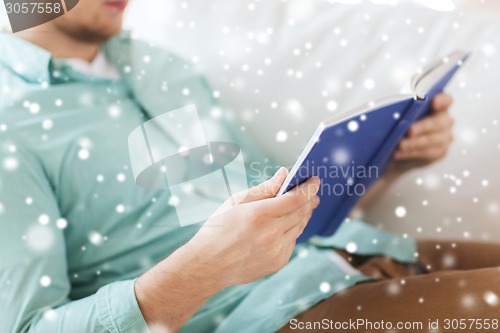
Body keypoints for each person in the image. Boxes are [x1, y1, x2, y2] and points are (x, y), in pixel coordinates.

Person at [1, 1, 497, 333]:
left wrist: (393, 159)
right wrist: (201, 270)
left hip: (347, 257)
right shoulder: (11, 128)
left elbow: (274, 210)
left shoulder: (161, 66)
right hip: (274, 316)